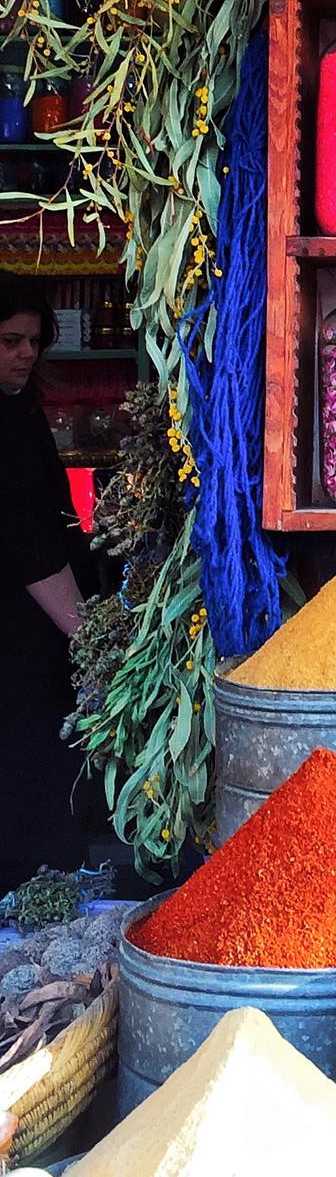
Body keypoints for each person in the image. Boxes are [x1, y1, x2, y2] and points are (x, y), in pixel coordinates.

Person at [0, 274, 91, 888]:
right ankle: (32, 888)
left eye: (34, 342)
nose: (26, 355)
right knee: (29, 754)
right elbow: (27, 542)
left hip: (31, 623)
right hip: (18, 629)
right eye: (9, 341)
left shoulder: (18, 410)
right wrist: (85, 634)